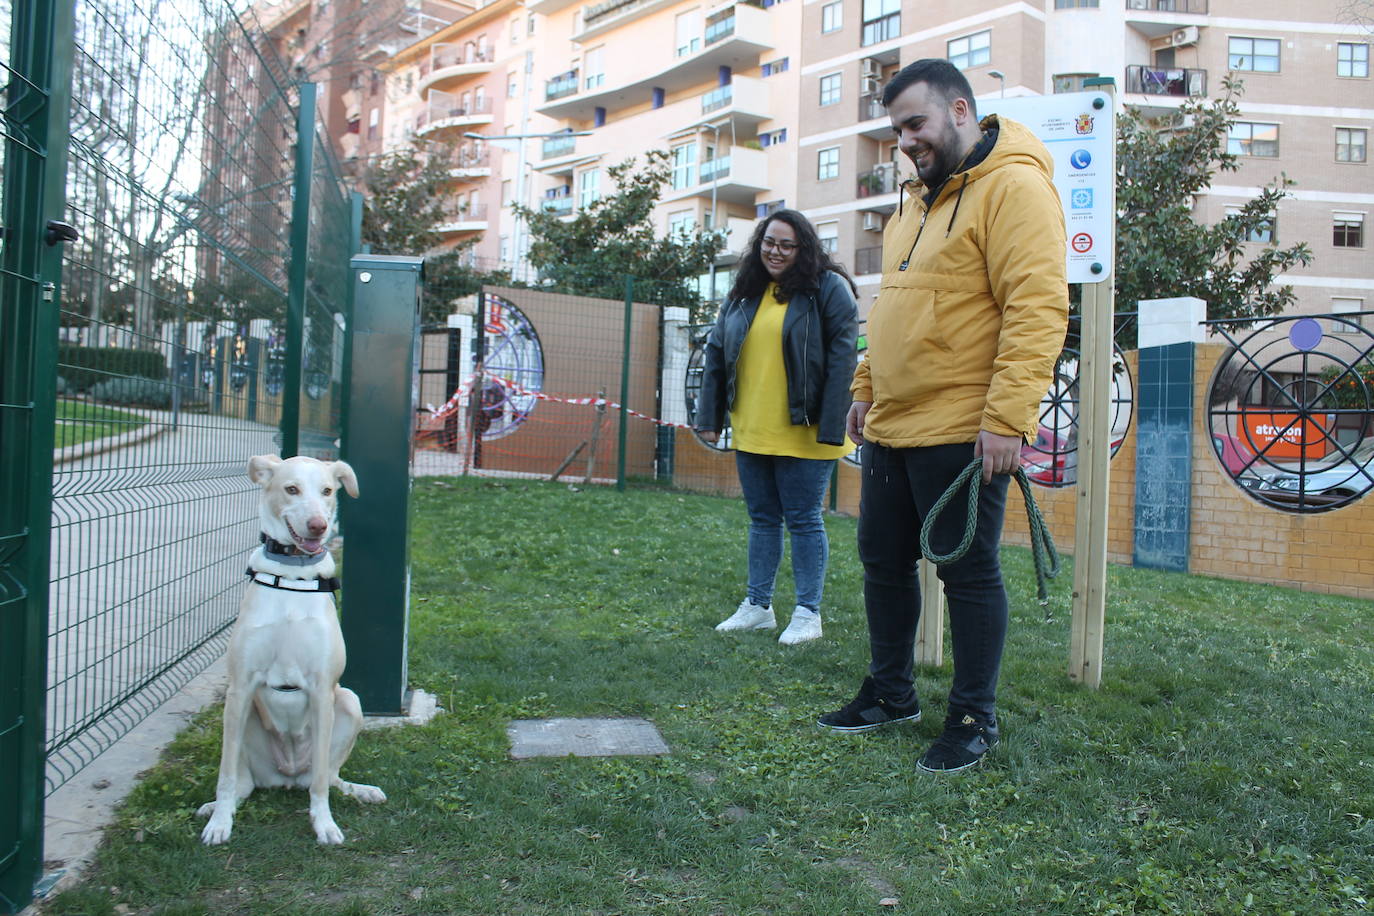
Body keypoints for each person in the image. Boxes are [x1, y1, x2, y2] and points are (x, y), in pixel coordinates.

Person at [816, 59, 1068, 772]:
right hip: (895, 421)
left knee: (968, 573)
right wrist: (865, 385)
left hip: (964, 424)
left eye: (916, 125)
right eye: (897, 131)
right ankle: (892, 693)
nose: (906, 142)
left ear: (960, 110)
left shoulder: (1015, 187)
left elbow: (1037, 309)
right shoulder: (912, 203)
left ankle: (972, 719)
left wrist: (1008, 417)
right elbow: (890, 304)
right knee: (881, 562)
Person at [696, 209, 859, 645]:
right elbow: (716, 354)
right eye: (770, 242)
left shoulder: (828, 288)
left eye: (787, 244)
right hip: (753, 426)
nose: (776, 251)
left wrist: (831, 422)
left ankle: (808, 613)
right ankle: (758, 606)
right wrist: (709, 418)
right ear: (759, 243)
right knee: (763, 518)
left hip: (807, 428)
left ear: (803, 248)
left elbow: (845, 358)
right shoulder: (745, 292)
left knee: (804, 519)